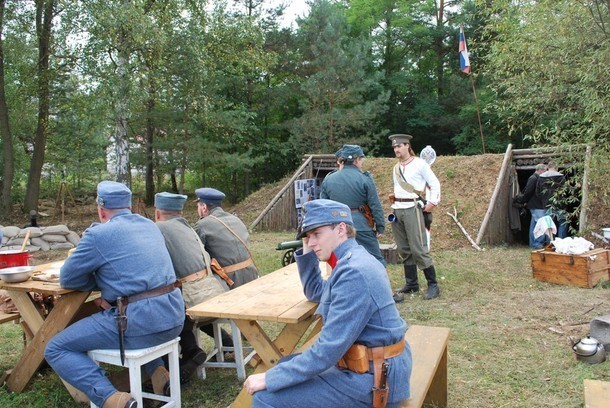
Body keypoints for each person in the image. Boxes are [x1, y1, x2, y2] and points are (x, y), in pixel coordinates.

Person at [243, 199, 412, 408]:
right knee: (285, 365)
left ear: (341, 229)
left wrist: (269, 379)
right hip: (372, 367)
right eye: (307, 236)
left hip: (376, 380)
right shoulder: (351, 260)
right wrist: (309, 245)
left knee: (265, 397)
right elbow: (317, 292)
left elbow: (328, 350)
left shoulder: (353, 272)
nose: (311, 241)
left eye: (317, 234)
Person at [45, 181, 184, 408]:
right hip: (174, 316)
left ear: (101, 210)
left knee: (56, 347)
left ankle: (113, 399)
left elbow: (68, 279)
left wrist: (96, 279)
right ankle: (159, 373)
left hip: (139, 322)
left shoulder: (99, 234)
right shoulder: (151, 225)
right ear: (129, 206)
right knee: (133, 316)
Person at [154, 192, 231, 384]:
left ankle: (175, 363)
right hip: (212, 290)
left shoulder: (159, 229)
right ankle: (206, 347)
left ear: (157, 213)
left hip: (192, 297)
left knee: (157, 310)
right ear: (180, 211)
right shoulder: (188, 226)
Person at [388, 134, 441, 301]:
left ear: (407, 145)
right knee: (404, 249)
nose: (396, 149)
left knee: (418, 248)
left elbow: (434, 183)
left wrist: (432, 202)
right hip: (397, 209)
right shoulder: (396, 168)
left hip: (413, 208)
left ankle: (433, 285)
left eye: (399, 146)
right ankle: (412, 284)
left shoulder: (420, 164)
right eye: (394, 147)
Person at [320, 144, 386, 267]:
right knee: (376, 259)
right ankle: (382, 285)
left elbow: (323, 207)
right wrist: (380, 226)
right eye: (361, 159)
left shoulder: (328, 179)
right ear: (356, 160)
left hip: (338, 227)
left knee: (341, 260)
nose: (361, 162)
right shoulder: (365, 178)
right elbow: (375, 205)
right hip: (361, 226)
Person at [193, 187, 259, 288]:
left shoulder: (202, 225)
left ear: (204, 207)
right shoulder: (236, 219)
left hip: (228, 282)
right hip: (252, 276)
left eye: (198, 206)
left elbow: (197, 258)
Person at [514, 163, 548, 248]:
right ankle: (537, 244)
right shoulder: (533, 178)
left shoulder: (536, 178)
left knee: (534, 226)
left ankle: (533, 244)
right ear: (540, 170)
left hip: (535, 205)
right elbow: (528, 192)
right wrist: (524, 201)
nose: (546, 172)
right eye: (545, 170)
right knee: (540, 225)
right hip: (536, 205)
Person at [536, 161, 568, 239]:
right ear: (557, 168)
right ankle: (561, 242)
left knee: (548, 225)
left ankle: (550, 243)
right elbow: (565, 192)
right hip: (560, 205)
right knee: (562, 223)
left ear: (547, 168)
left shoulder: (541, 177)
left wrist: (543, 201)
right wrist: (564, 204)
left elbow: (538, 192)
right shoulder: (561, 177)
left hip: (547, 205)